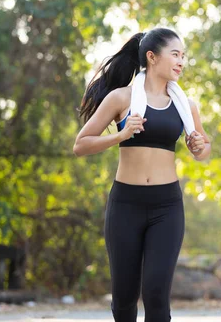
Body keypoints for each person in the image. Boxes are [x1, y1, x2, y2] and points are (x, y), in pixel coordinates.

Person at [73, 27, 211, 322]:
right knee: (124, 297)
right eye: (175, 54)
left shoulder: (186, 105)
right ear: (152, 57)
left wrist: (198, 146)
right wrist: (121, 135)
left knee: (156, 294)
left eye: (183, 56)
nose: (181, 61)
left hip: (167, 206)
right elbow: (81, 145)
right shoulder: (121, 99)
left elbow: (203, 151)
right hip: (126, 204)